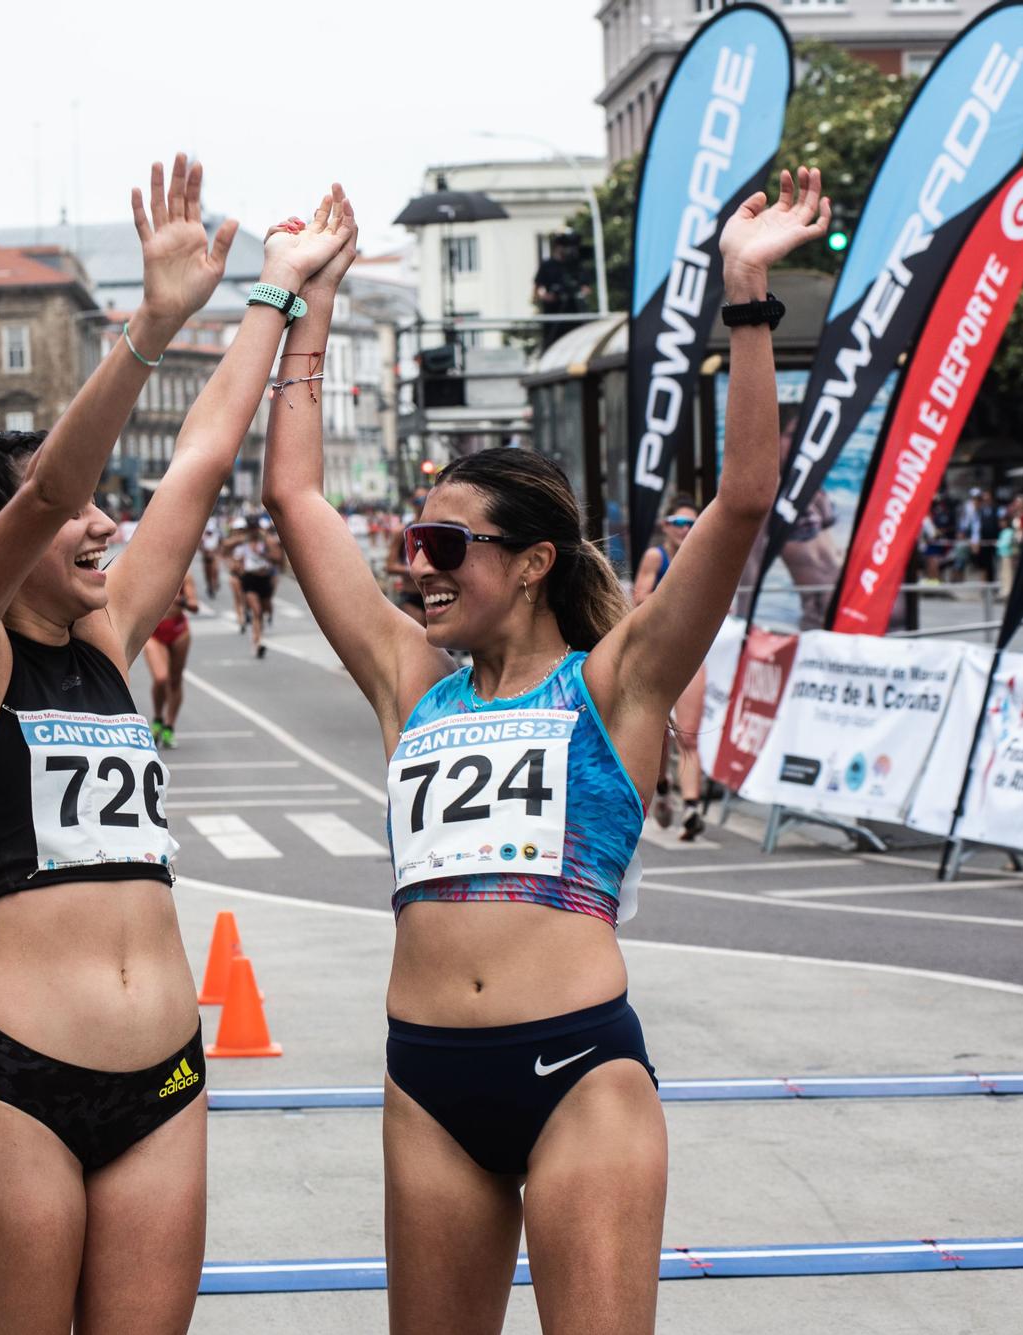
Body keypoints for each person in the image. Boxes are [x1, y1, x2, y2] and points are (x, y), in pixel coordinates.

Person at [264, 167, 828, 1334]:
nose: (414, 565)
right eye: (410, 542)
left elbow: (741, 499)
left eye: (442, 546)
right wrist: (307, 304)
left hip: (577, 1071)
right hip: (425, 1077)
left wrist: (744, 292)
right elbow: (294, 496)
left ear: (527, 564)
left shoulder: (615, 683)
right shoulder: (411, 686)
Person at [0, 156, 349, 1332]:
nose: (106, 524)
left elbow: (199, 458)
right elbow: (51, 493)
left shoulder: (105, 637)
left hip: (167, 1076)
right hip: (18, 1082)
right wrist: (149, 325)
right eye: (83, 509)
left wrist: (274, 290)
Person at [633, 497, 708, 840]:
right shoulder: (656, 556)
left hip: (692, 652)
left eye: (692, 524)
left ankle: (692, 808)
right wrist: (679, 597)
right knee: (660, 732)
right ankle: (662, 787)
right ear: (666, 526)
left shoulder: (706, 557)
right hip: (658, 654)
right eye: (679, 523)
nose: (685, 530)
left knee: (689, 734)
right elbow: (639, 598)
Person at [144, 572, 199, 748]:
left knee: (175, 680)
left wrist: (180, 601)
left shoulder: (184, 574)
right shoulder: (146, 571)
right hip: (154, 631)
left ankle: (169, 726)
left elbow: (194, 606)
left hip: (178, 630)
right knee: (161, 678)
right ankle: (157, 718)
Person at [231, 517, 282, 657]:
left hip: (264, 578)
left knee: (263, 612)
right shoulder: (243, 541)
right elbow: (230, 551)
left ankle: (258, 637)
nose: (253, 531)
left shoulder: (266, 541)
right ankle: (257, 642)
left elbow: (278, 558)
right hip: (250, 579)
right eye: (251, 528)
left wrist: (264, 554)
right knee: (257, 611)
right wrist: (237, 565)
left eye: (255, 528)